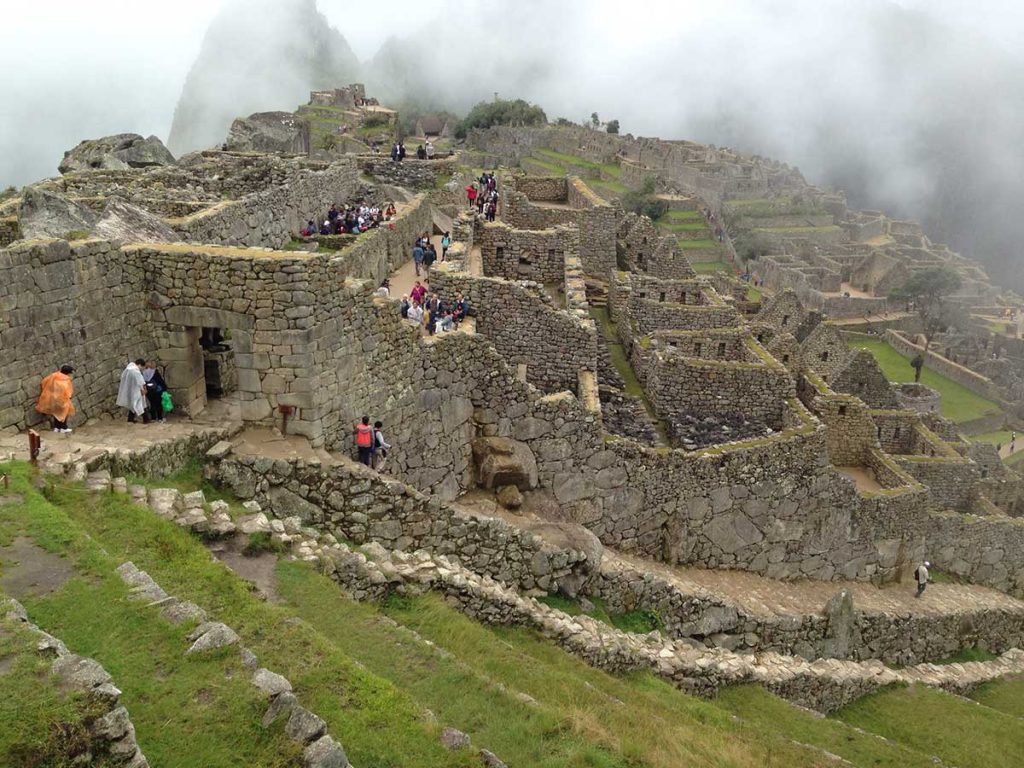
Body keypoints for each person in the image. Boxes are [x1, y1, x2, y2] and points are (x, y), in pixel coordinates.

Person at [36, 365, 75, 433]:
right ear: (68, 373)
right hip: (61, 399)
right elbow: (67, 391)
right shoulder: (65, 380)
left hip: (52, 398)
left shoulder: (54, 375)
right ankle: (63, 427)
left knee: (56, 413)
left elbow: (44, 382)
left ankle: (56, 428)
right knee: (63, 413)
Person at [117, 359, 149, 424]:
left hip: (130, 389)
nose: (141, 369)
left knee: (133, 404)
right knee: (141, 404)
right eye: (142, 367)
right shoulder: (135, 371)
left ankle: (130, 419)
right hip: (137, 390)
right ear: (140, 365)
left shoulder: (128, 369)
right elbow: (140, 381)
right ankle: (146, 419)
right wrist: (143, 389)